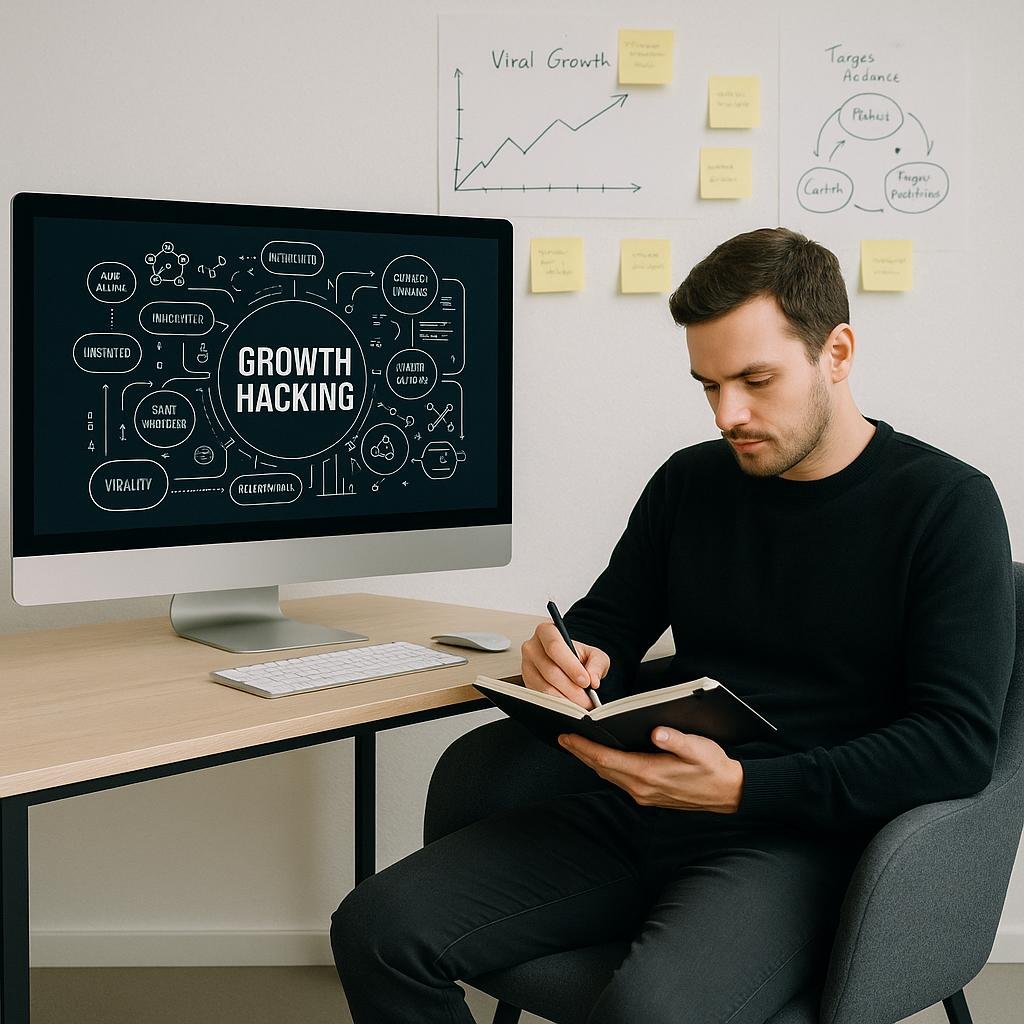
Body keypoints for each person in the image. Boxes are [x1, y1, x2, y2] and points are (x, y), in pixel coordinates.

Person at [330, 227, 1015, 1024]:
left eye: (756, 380)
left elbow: (955, 746)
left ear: (837, 352)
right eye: (708, 385)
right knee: (378, 929)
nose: (730, 414)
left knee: (650, 1012)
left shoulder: (946, 506)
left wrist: (745, 789)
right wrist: (574, 658)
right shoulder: (692, 483)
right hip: (641, 806)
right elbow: (610, 624)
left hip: (802, 839)